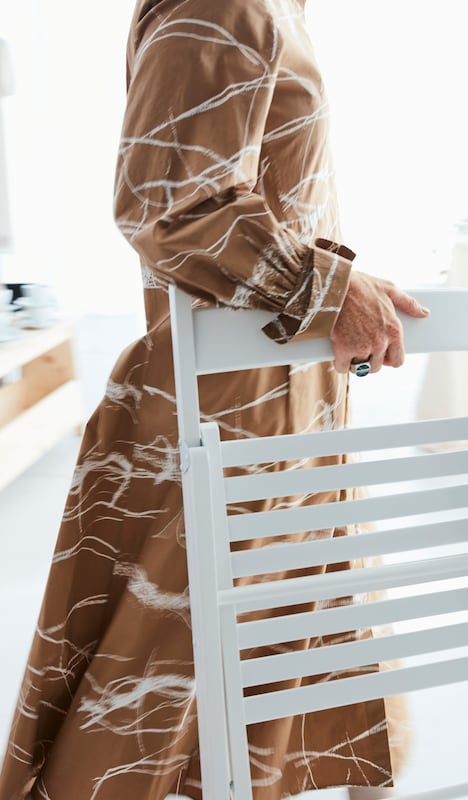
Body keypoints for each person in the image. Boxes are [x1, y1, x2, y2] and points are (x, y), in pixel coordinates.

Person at [0, 1, 428, 798]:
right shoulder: (224, 2)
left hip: (281, 391)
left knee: (272, 647)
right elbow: (167, 203)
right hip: (233, 404)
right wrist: (329, 287)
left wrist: (334, 291)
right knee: (173, 668)